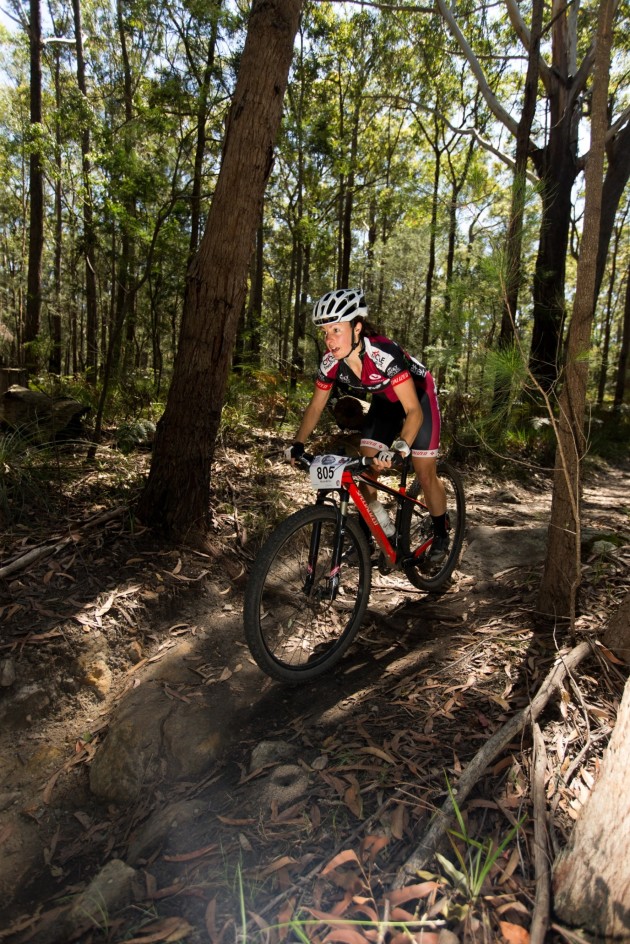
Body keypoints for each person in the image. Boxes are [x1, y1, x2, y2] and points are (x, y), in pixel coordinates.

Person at [285, 288, 449, 561]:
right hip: (386, 403)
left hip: (418, 398)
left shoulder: (383, 353)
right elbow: (316, 406)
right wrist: (298, 444)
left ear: (357, 327)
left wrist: (400, 447)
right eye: (325, 332)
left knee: (424, 472)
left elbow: (412, 411)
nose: (329, 339)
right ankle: (376, 534)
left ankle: (442, 532)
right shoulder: (331, 363)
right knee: (363, 469)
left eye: (336, 330)